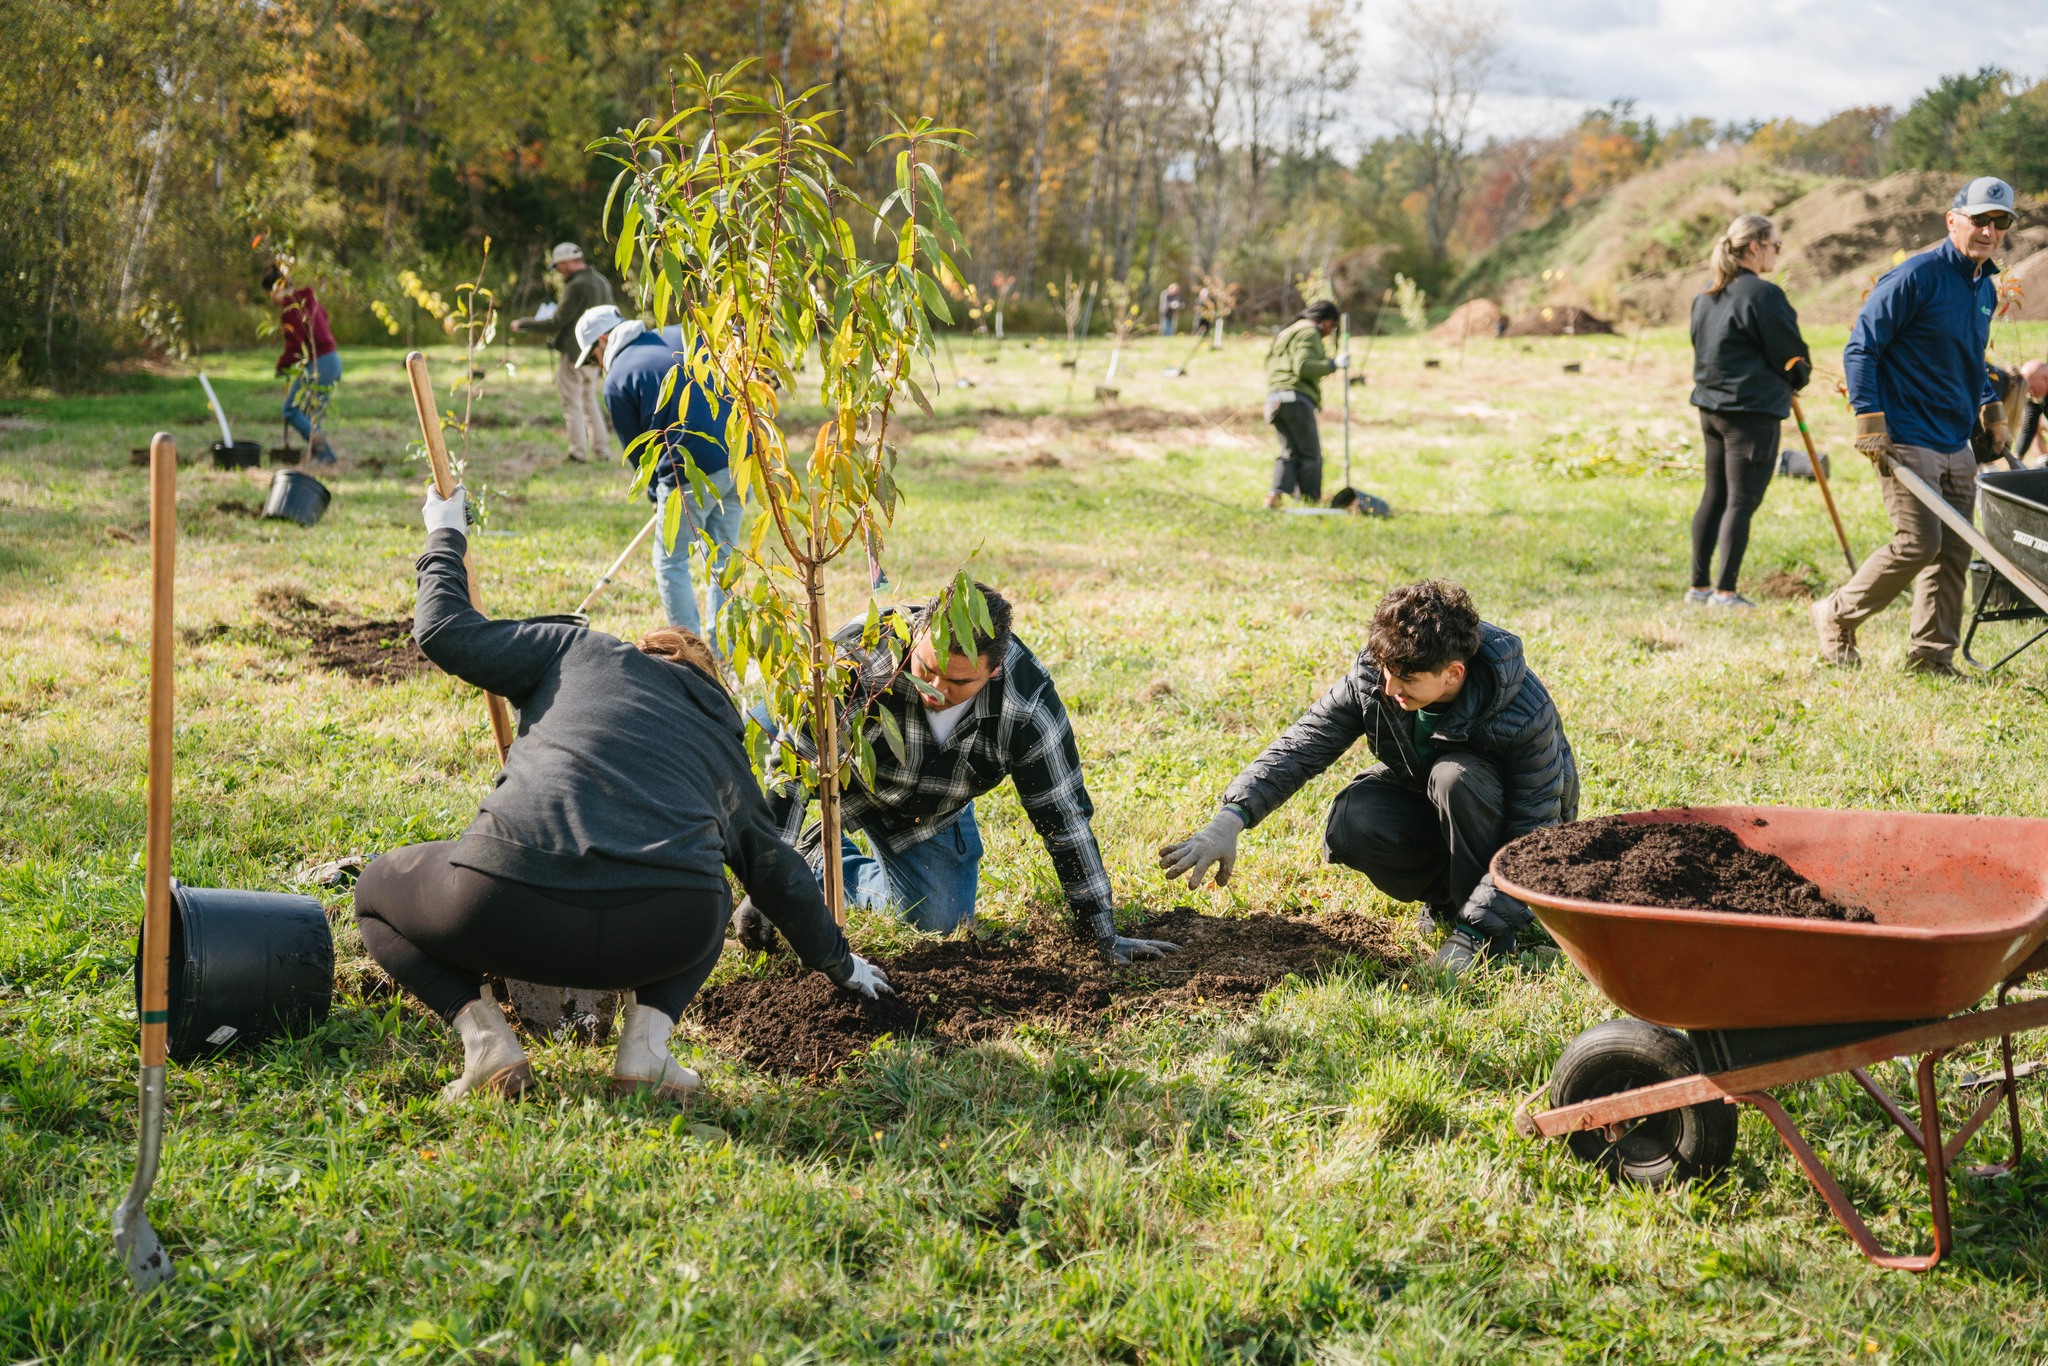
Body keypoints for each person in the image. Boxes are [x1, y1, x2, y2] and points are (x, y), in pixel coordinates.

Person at [354, 485, 891, 1103]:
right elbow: (774, 868)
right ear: (711, 688)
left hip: (499, 905)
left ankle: (487, 1046)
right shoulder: (723, 738)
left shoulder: (579, 649)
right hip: (663, 929)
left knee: (374, 893)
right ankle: (646, 1053)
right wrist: (841, 964)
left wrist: (445, 528)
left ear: (646, 648)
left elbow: (444, 629)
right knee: (714, 887)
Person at [738, 583, 1180, 966]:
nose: (934, 689)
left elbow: (1064, 820)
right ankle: (782, 856)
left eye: (957, 683)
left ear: (994, 670)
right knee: (754, 748)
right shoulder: (859, 661)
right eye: (926, 669)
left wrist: (1099, 933)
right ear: (919, 635)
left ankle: (820, 862)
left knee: (940, 920)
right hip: (838, 773)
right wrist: (767, 885)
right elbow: (792, 773)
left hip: (923, 809)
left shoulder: (1026, 708)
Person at [1158, 580, 1577, 975]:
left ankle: (1489, 933)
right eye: (1385, 670)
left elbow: (1533, 833)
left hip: (1504, 826)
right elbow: (1305, 743)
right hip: (1433, 801)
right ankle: (1448, 902)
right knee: (1355, 817)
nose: (1390, 686)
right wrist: (1230, 818)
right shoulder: (1377, 676)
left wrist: (1475, 936)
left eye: (1407, 679)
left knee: (1456, 777)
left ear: (1453, 673)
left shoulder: (1523, 711)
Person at [1813, 177, 2019, 677]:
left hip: (1954, 439)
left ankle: (1931, 655)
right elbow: (1862, 347)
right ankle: (1836, 615)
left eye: (2000, 222)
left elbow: (1973, 360)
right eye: (1979, 220)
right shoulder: (1914, 277)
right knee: (1918, 542)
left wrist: (1991, 412)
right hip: (1906, 434)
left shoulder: (1984, 288)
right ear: (1953, 220)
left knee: (1953, 549)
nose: (1989, 231)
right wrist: (1869, 419)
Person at [575, 304, 743, 642]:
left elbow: (641, 455)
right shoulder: (676, 335)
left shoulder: (618, 380)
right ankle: (724, 649)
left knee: (670, 561)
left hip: (690, 474)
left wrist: (657, 495)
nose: (596, 366)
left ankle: (694, 656)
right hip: (741, 457)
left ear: (603, 340)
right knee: (724, 558)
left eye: (592, 358)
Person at [1686, 214, 1810, 609]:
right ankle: (1725, 592)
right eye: (1776, 245)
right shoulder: (1763, 294)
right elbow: (1789, 352)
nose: (1778, 252)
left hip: (1712, 408)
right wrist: (1799, 376)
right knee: (1741, 500)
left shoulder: (1706, 293)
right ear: (1755, 246)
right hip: (1750, 412)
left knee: (1716, 495)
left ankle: (1699, 587)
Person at [511, 243, 615, 463]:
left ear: (567, 263)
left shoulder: (576, 285)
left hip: (575, 352)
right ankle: (602, 451)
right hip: (597, 352)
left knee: (572, 402)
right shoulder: (601, 282)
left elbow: (557, 321)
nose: (558, 271)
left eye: (558, 266)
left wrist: (524, 324)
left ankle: (577, 452)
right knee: (590, 401)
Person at [1262, 300, 1349, 509]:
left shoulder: (1287, 332)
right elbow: (1303, 366)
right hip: (1295, 399)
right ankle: (1311, 500)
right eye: (1332, 326)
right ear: (1325, 321)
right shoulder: (1309, 333)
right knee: (1310, 454)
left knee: (1289, 452)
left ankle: (1274, 496)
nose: (1331, 331)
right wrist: (1333, 364)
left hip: (1275, 400)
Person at [265, 265, 341, 464]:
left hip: (321, 363)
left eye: (269, 294)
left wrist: (283, 366)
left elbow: (295, 345)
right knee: (309, 413)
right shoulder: (310, 300)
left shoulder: (292, 310)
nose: (271, 300)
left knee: (291, 409)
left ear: (277, 289)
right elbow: (323, 322)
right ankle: (322, 454)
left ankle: (324, 454)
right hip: (332, 360)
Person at [2018, 360, 2047, 464]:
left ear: (2046, 380)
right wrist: (2017, 457)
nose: (2029, 393)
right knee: (2036, 426)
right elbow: (2029, 427)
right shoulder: (2035, 396)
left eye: (2031, 388)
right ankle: (2044, 461)